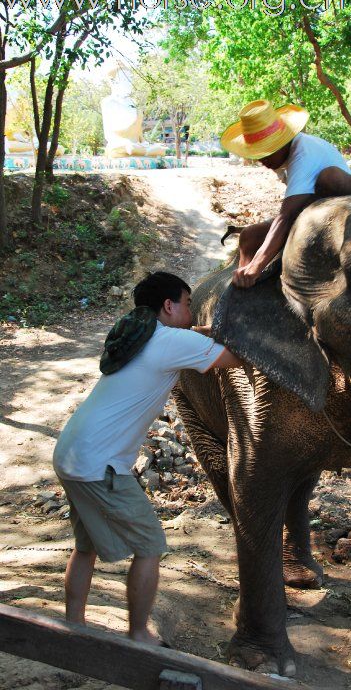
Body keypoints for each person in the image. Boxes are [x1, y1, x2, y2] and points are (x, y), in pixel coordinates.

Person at [53, 271, 241, 645]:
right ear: (168, 306)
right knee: (151, 544)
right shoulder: (172, 341)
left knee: (86, 546)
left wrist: (199, 332)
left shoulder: (137, 334)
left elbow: (189, 337)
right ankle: (139, 635)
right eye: (187, 304)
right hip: (98, 463)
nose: (190, 312)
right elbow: (233, 358)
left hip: (72, 450)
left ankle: (73, 626)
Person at [221, 99, 351, 288]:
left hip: (345, 204)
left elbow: (286, 216)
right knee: (249, 236)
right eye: (259, 154)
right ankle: (242, 284)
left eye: (267, 153)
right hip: (310, 210)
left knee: (328, 178)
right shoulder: (283, 161)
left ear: (282, 142)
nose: (263, 160)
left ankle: (251, 275)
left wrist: (256, 266)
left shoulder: (303, 153)